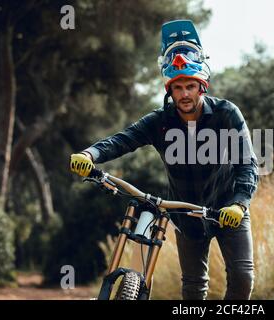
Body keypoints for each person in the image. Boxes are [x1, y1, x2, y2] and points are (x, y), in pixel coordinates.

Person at [69, 20, 259, 300]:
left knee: (243, 277)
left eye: (190, 86)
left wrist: (239, 203)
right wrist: (90, 154)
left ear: (201, 86)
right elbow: (123, 140)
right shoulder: (160, 122)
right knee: (194, 287)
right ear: (170, 89)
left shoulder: (226, 114)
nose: (184, 94)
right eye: (178, 87)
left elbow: (247, 164)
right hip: (185, 213)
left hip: (228, 208)